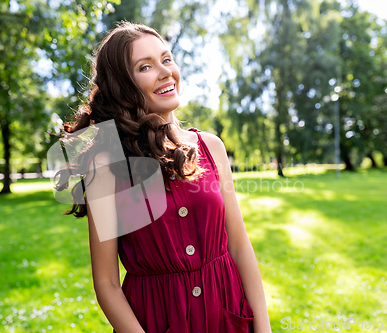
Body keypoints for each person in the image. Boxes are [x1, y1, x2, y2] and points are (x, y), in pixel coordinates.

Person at [59, 21, 271, 333]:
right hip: (155, 321)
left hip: (228, 313)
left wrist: (263, 329)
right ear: (122, 84)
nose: (164, 72)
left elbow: (240, 247)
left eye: (167, 59)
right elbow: (106, 283)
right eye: (145, 66)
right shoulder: (106, 166)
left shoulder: (210, 147)